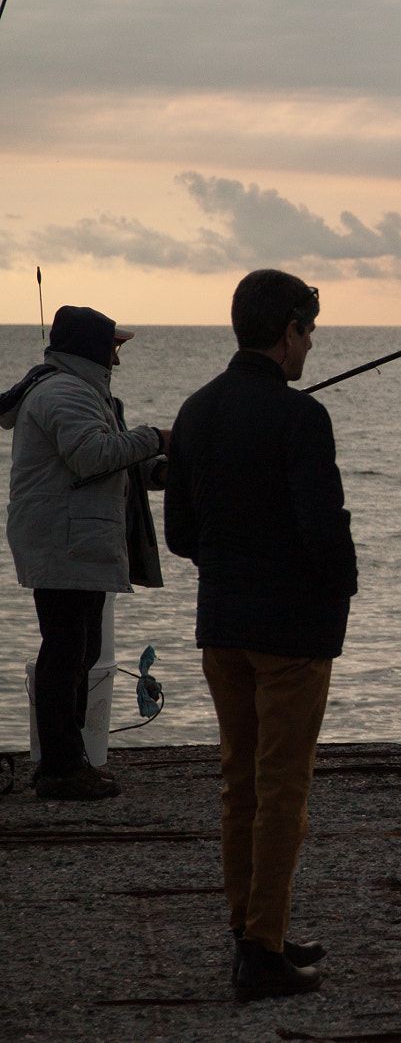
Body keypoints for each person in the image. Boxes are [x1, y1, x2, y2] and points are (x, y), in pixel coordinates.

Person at [165, 269, 357, 1002]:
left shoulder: (196, 411)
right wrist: (341, 584)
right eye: (308, 330)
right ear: (287, 332)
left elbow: (181, 533)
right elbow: (323, 530)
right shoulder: (301, 420)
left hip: (223, 629)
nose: (310, 344)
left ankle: (253, 927)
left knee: (238, 782)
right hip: (291, 635)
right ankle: (262, 951)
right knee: (283, 790)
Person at [3, 305, 169, 801]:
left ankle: (68, 760)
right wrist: (157, 437)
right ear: (92, 348)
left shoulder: (79, 392)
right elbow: (94, 455)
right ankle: (59, 769)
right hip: (64, 543)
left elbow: (103, 461)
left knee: (80, 652)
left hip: (74, 542)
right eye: (114, 346)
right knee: (65, 655)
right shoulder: (64, 392)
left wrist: (158, 469)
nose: (118, 357)